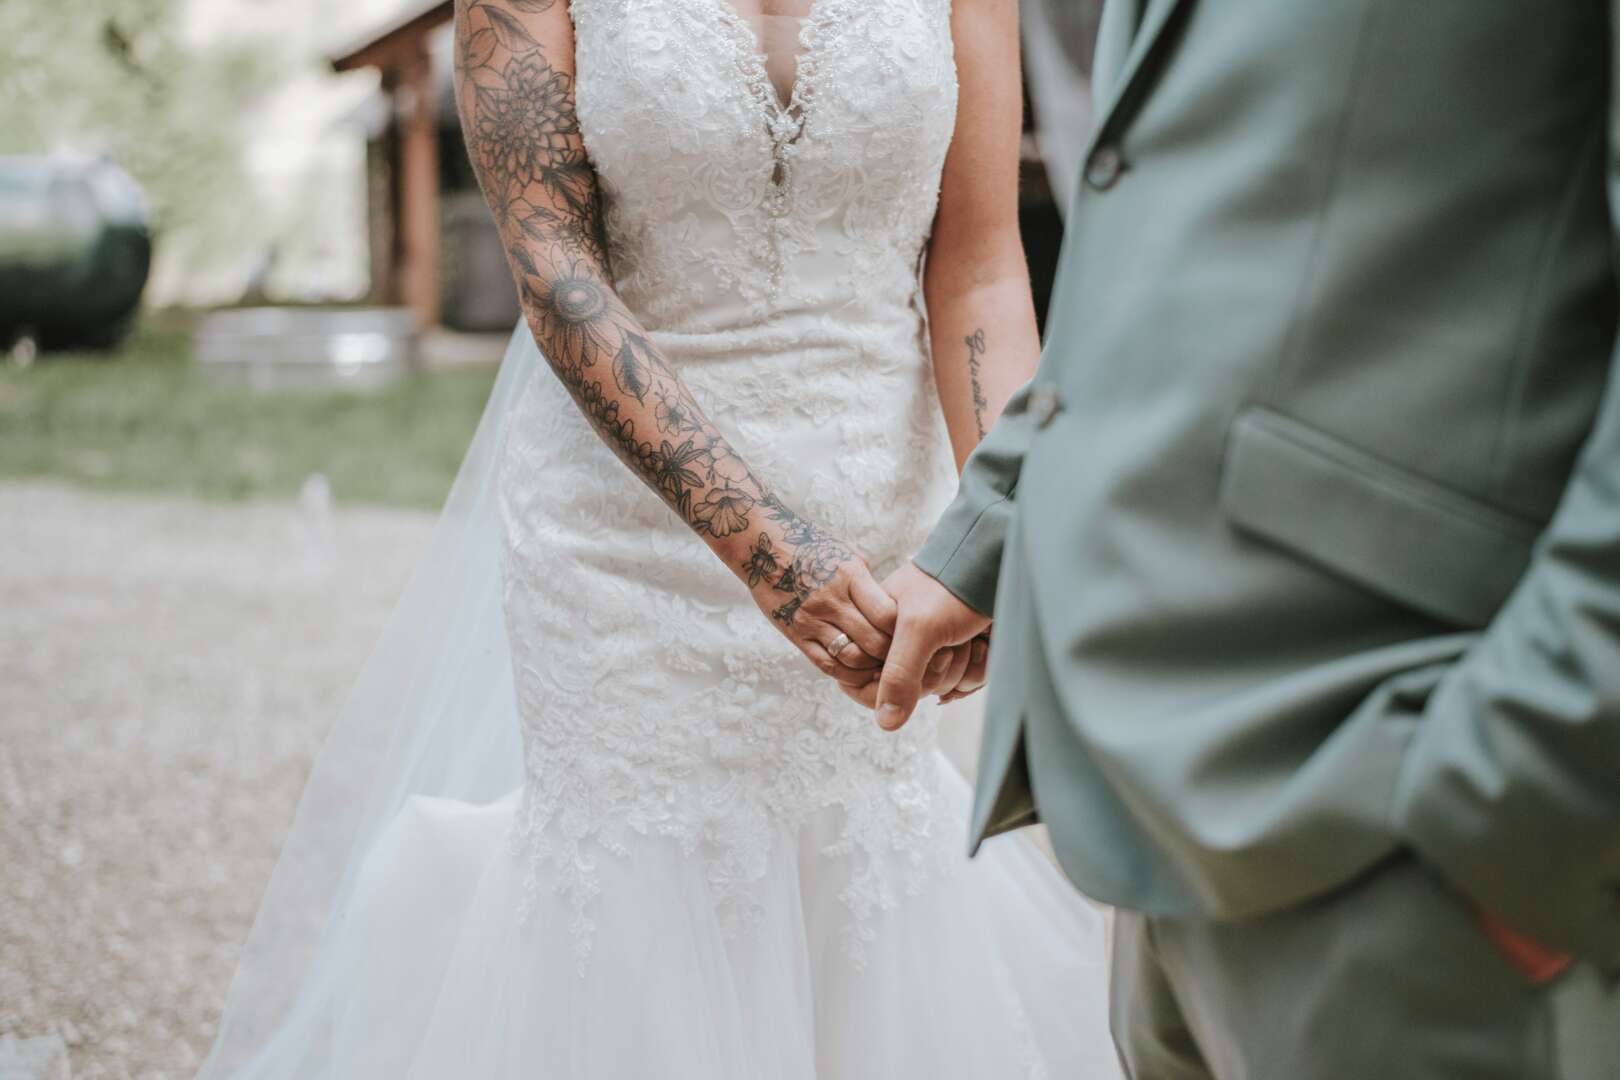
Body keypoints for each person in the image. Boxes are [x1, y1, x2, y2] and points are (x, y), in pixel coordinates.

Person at [198, 1, 1121, 1077]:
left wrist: (993, 535)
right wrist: (763, 546)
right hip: (624, 545)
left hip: (886, 540)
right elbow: (553, 265)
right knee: (639, 911)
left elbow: (981, 265)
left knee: (864, 892)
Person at [870, 1, 1620, 1076]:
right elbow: (1157, 219)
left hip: (1413, 815)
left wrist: (1534, 795)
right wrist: (994, 527)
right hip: (1144, 826)